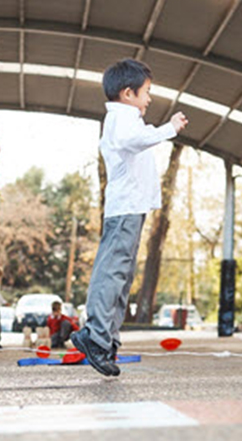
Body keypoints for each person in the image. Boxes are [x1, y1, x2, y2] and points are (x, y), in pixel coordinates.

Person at [71, 58, 188, 377]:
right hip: (124, 208)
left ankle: (106, 339)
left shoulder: (128, 118)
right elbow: (131, 142)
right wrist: (169, 129)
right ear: (127, 93)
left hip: (132, 207)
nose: (149, 98)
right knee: (112, 272)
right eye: (146, 92)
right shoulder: (122, 119)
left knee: (120, 275)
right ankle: (95, 335)